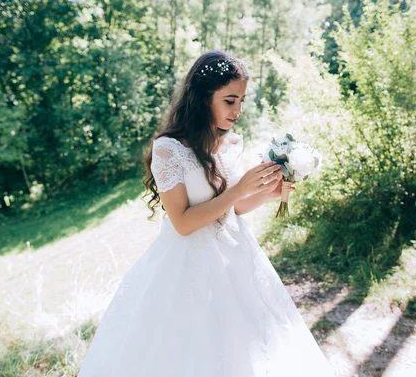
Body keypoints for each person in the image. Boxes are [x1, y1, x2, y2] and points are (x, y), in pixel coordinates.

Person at [77, 50, 336, 376]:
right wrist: (239, 189)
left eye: (241, 100)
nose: (238, 110)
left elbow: (235, 208)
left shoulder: (231, 143)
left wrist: (268, 194)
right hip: (185, 266)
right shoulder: (169, 149)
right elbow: (183, 223)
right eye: (230, 100)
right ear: (202, 98)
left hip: (235, 258)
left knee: (242, 351)